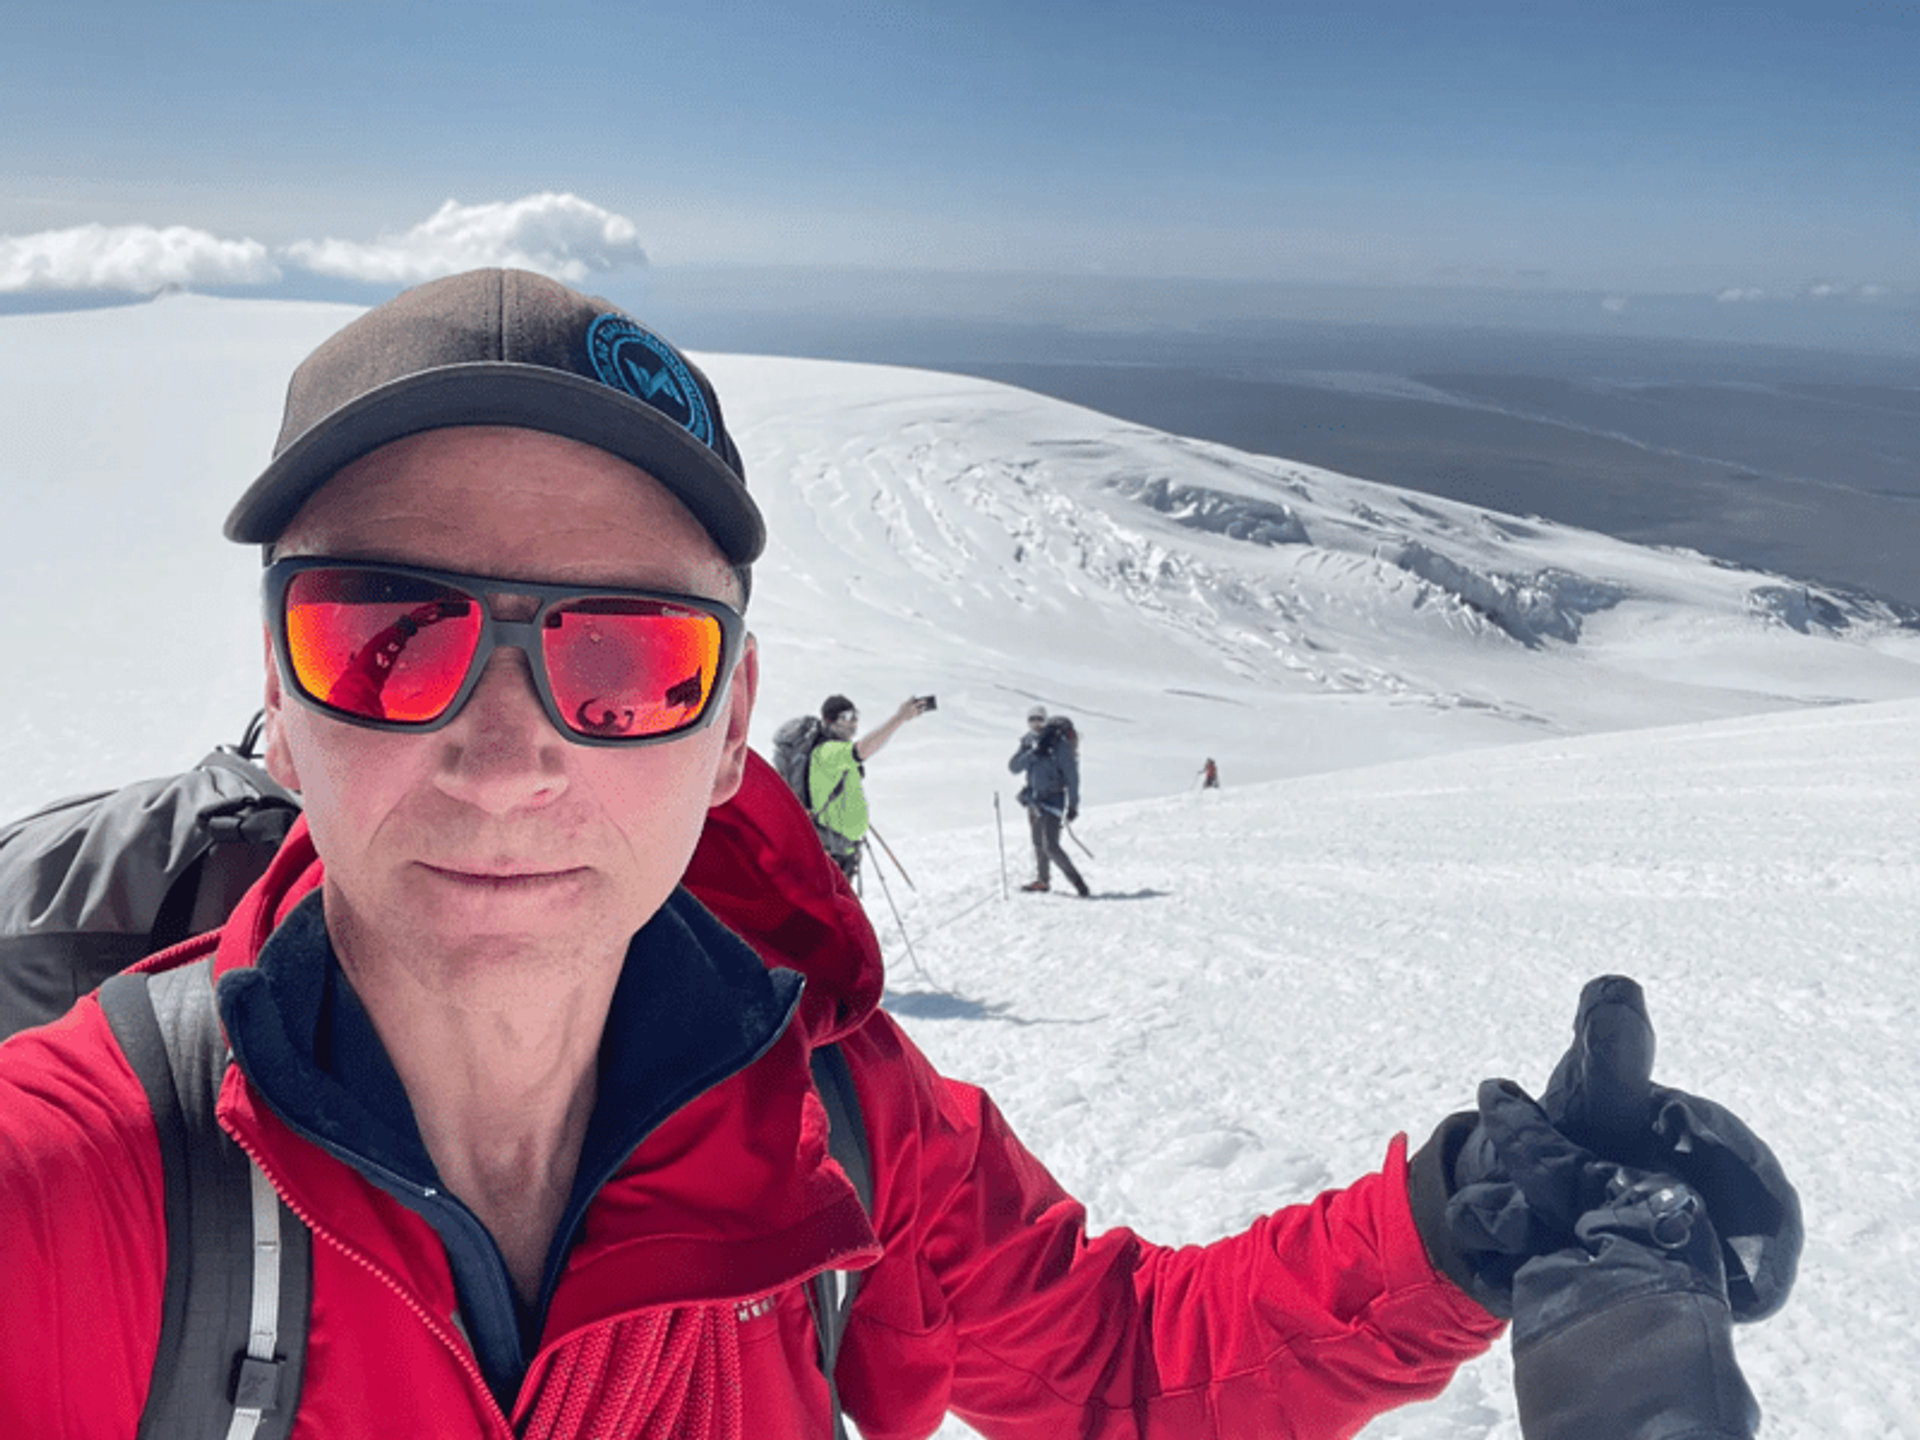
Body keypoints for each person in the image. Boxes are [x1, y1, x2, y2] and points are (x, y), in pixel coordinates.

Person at [0, 269, 1793, 1439]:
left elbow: (1114, 1362)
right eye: (386, 637)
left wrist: (1454, 1229)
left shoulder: (842, 1126)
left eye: (626, 659)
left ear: (731, 729)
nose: (504, 754)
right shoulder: (83, 1203)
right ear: (275, 695)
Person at [807, 692, 932, 883]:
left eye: (855, 716)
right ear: (829, 721)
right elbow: (863, 750)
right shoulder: (827, 752)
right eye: (847, 717)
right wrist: (899, 718)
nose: (853, 722)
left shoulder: (840, 753)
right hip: (832, 854)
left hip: (845, 850)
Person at [1008, 704, 1090, 896]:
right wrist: (1033, 753)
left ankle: (1078, 882)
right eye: (1032, 720)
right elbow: (1013, 767)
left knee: (1051, 845)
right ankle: (1042, 881)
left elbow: (1071, 776)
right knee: (1038, 843)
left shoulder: (1057, 743)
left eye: (1040, 719)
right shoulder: (1028, 742)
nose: (1036, 723)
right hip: (1034, 800)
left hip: (1053, 800)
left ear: (1046, 721)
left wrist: (1073, 804)